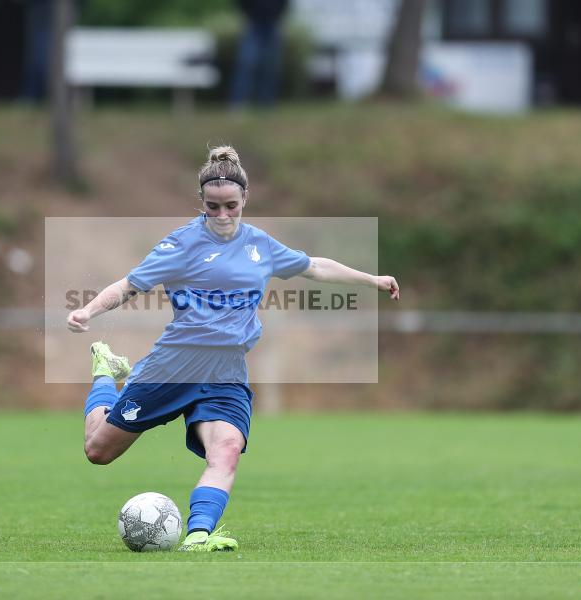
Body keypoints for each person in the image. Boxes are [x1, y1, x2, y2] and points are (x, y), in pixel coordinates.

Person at [67, 146, 399, 552]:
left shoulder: (260, 245)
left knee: (226, 450)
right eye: (212, 208)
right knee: (98, 451)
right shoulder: (181, 244)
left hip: (227, 373)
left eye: (231, 207)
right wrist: (88, 310)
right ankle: (105, 372)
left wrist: (373, 279)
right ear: (201, 203)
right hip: (174, 366)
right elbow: (128, 285)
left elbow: (315, 265)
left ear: (245, 199)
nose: (222, 216)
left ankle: (198, 536)